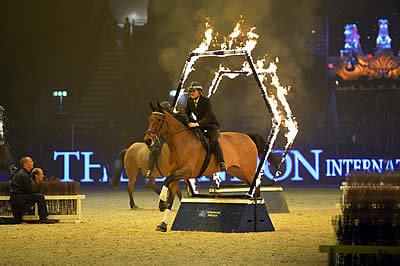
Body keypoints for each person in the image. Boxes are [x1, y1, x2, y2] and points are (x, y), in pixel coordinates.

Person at [184, 81, 226, 171]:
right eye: (190, 91)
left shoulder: (206, 100)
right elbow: (186, 114)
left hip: (211, 125)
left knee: (214, 141)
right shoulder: (189, 101)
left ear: (199, 91)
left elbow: (209, 116)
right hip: (199, 125)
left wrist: (197, 124)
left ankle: (221, 162)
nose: (191, 93)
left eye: (193, 91)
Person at [9, 157, 55, 224]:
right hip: (19, 198)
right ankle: (43, 218)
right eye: (31, 161)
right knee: (40, 197)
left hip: (16, 199)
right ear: (26, 163)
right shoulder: (24, 175)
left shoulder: (23, 173)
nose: (33, 162)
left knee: (16, 221)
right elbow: (29, 190)